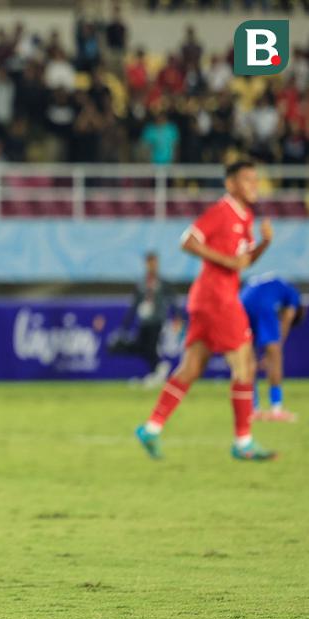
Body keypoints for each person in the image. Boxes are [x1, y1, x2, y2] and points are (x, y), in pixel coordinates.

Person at [135, 161, 276, 462]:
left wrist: (264, 243)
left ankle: (152, 427)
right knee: (245, 365)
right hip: (218, 299)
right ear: (231, 184)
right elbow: (188, 241)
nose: (254, 185)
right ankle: (243, 442)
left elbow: (244, 262)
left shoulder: (245, 217)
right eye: (247, 180)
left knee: (192, 368)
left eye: (255, 179)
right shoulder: (222, 211)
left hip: (208, 298)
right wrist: (225, 260)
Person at [108, 251, 180, 387]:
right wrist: (125, 325)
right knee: (142, 347)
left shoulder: (162, 282)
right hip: (144, 321)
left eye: (154, 262)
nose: (152, 265)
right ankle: (158, 369)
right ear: (146, 264)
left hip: (157, 320)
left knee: (151, 347)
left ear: (157, 264)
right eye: (149, 262)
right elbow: (134, 305)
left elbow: (172, 300)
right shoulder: (142, 283)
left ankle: (157, 371)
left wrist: (177, 316)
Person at [241, 274, 304, 421]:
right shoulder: (294, 296)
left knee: (248, 358)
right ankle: (276, 409)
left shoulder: (277, 282)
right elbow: (287, 319)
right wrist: (273, 351)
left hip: (241, 301)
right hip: (262, 305)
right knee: (276, 357)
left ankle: (252, 409)